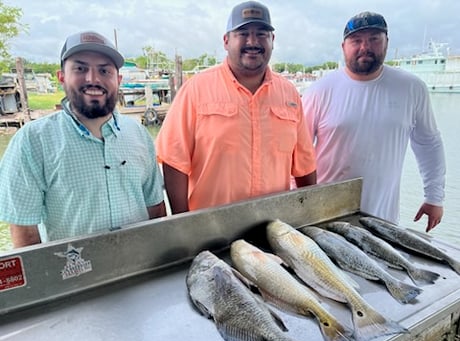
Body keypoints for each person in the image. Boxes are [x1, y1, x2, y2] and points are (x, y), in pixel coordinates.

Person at [0, 31, 166, 248]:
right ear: (61, 77)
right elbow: (24, 230)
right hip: (74, 275)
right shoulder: (31, 141)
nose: (93, 79)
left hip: (141, 266)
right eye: (80, 68)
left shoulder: (139, 134)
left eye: (104, 70)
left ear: (119, 79)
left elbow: (155, 207)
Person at [155, 1, 317, 214]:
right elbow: (174, 161)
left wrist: (310, 213)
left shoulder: (290, 94)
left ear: (272, 40)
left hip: (274, 226)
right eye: (243, 33)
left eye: (261, 34)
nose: (252, 41)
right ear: (226, 40)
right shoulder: (196, 89)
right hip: (210, 229)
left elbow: (304, 165)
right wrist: (184, 225)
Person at [302, 11, 446, 232]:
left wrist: (434, 197)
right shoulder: (319, 91)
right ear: (343, 47)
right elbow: (298, 153)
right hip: (324, 220)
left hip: (383, 220)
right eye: (356, 40)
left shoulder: (411, 88)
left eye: (374, 39)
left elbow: (429, 144)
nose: (364, 47)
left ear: (386, 42)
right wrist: (300, 206)